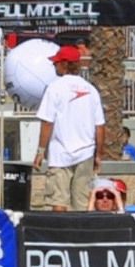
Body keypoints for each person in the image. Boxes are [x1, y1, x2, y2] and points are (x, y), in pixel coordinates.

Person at [34, 44, 104, 211]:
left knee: (58, 200)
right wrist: (99, 155)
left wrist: (40, 151)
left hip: (60, 153)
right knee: (82, 203)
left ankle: (60, 236)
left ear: (65, 64)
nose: (54, 65)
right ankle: (80, 235)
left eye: (56, 62)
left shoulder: (55, 88)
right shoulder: (91, 90)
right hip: (86, 152)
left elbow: (47, 122)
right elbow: (100, 126)